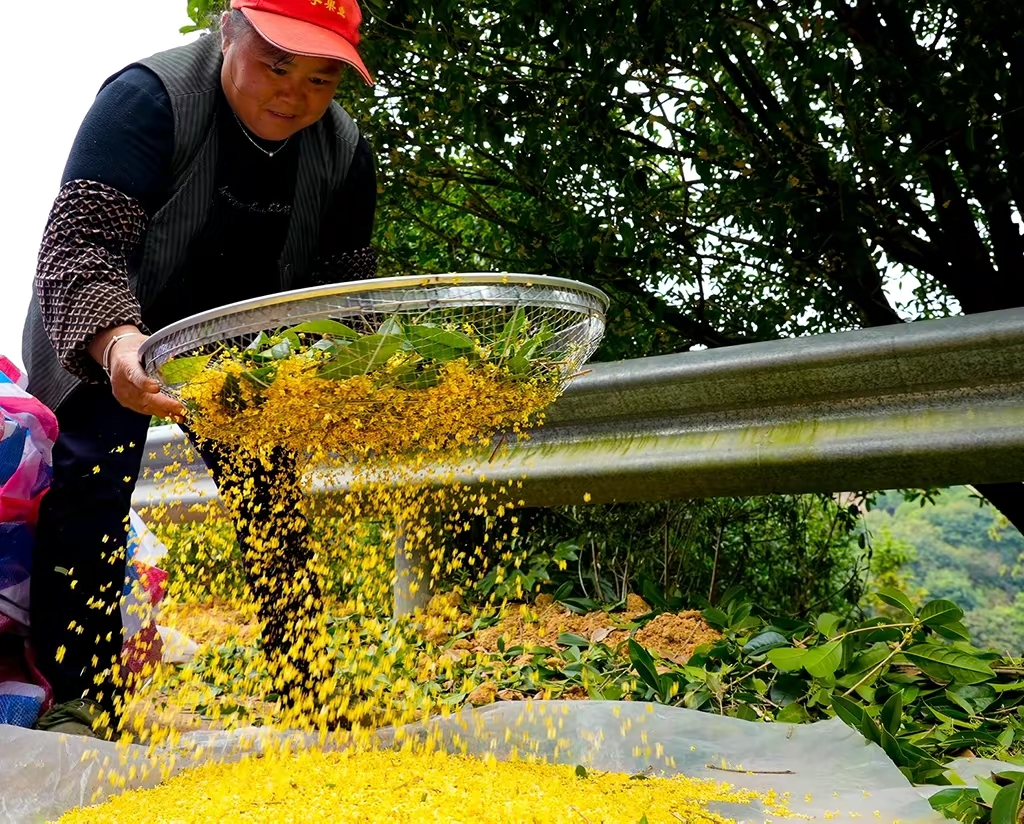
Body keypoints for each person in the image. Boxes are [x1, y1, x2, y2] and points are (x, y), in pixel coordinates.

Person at [21, 0, 378, 737]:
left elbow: (348, 288)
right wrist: (120, 347)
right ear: (227, 31)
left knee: (273, 499)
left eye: (320, 79)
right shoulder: (147, 102)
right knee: (91, 485)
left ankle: (308, 687)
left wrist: (357, 374)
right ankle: (79, 695)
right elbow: (81, 248)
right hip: (109, 324)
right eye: (276, 64)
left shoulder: (342, 153)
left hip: (241, 348)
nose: (293, 93)